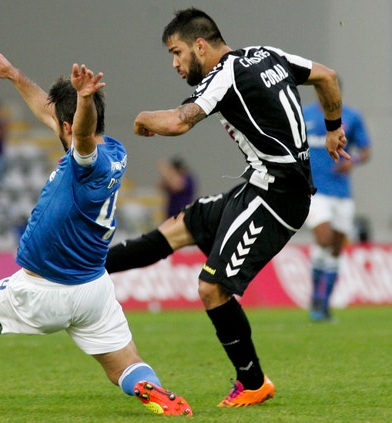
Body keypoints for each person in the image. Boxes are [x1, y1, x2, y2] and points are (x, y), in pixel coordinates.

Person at [105, 8, 349, 408]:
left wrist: (141, 118)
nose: (175, 64)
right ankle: (90, 267)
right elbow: (327, 75)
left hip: (277, 198)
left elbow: (180, 122)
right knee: (182, 226)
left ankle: (253, 383)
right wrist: (334, 127)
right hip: (259, 186)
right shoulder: (267, 54)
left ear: (200, 45)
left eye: (177, 52)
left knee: (211, 288)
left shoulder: (225, 73)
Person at [0, 52, 193, 416]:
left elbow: (81, 135)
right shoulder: (114, 150)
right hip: (93, 291)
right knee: (124, 364)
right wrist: (14, 75)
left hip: (43, 290)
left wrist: (82, 99)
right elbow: (56, 116)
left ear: (68, 126)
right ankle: (152, 388)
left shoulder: (88, 162)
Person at [302, 98, 371, 321]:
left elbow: (366, 150)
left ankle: (324, 305)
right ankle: (315, 297)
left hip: (341, 193)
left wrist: (354, 161)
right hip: (315, 191)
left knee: (336, 249)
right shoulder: (304, 115)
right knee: (324, 239)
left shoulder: (352, 116)